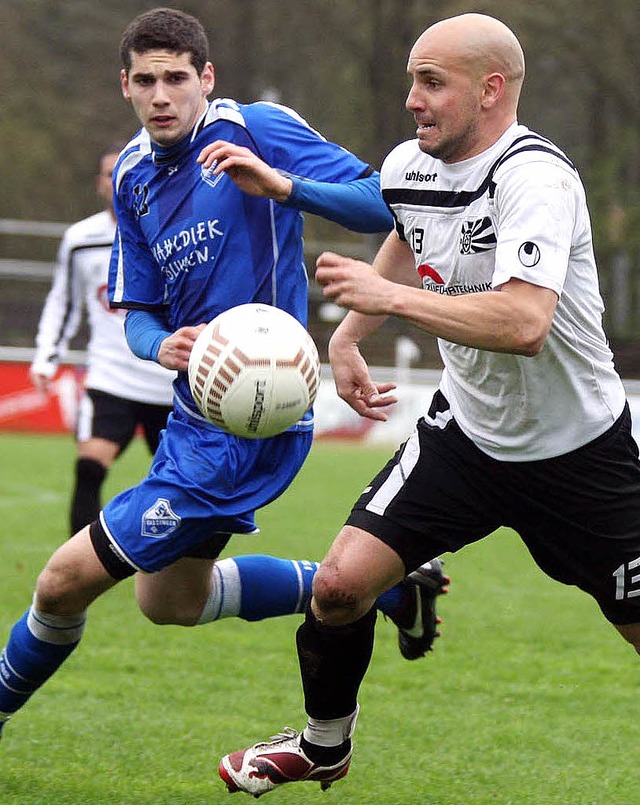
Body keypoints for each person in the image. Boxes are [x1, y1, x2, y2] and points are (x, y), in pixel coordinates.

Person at [217, 12, 640, 799]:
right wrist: (350, 335)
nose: (412, 98)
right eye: (413, 78)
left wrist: (387, 300)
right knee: (339, 586)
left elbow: (523, 322)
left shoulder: (536, 178)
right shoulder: (412, 162)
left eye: (430, 81)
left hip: (580, 455)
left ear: (490, 90)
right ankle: (323, 745)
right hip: (466, 440)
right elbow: (409, 234)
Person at [0, 8, 449, 744]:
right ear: (125, 87)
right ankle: (391, 585)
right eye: (145, 81)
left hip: (253, 415)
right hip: (192, 415)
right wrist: (158, 346)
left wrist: (283, 186)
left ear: (205, 78)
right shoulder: (135, 180)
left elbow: (382, 202)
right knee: (169, 601)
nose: (161, 95)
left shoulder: (256, 128)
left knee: (60, 581)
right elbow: (138, 309)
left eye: (177, 77)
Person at [30, 144, 176, 536]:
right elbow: (62, 301)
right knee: (89, 467)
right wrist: (46, 357)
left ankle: (180, 581)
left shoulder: (173, 231)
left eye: (124, 173)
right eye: (109, 174)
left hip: (171, 384)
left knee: (182, 490)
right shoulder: (81, 239)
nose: (117, 182)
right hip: (111, 379)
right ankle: (80, 573)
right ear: (99, 184)